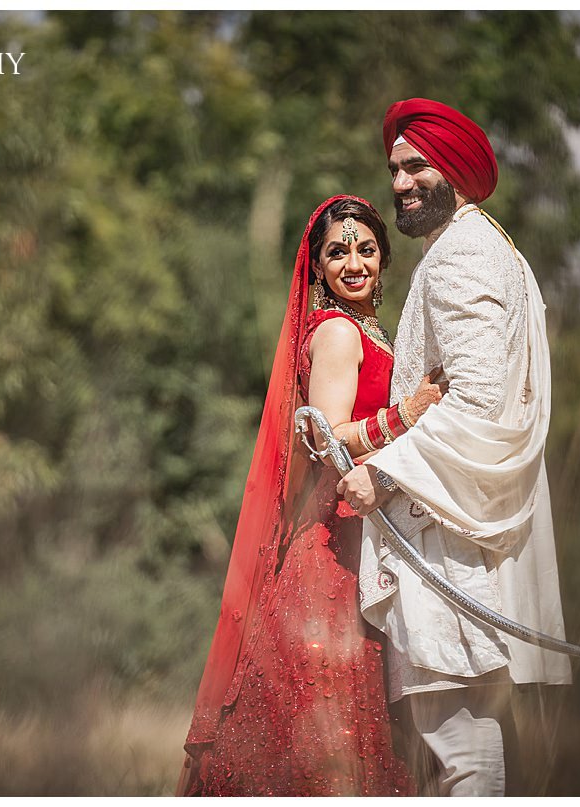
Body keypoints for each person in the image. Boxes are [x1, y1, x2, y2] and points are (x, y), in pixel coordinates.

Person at [337, 98, 573, 797]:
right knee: (458, 753)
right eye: (395, 170)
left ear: (458, 172)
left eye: (416, 167)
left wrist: (381, 472)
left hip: (444, 544)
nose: (401, 183)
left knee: (462, 752)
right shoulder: (493, 247)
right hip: (460, 534)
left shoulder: (459, 258)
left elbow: (476, 399)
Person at [176, 195, 444, 797]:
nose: (354, 263)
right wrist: (408, 413)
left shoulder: (369, 330)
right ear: (317, 267)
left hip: (368, 532)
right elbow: (328, 438)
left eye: (367, 249)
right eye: (337, 252)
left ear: (384, 255)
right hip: (336, 551)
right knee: (329, 729)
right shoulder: (338, 334)